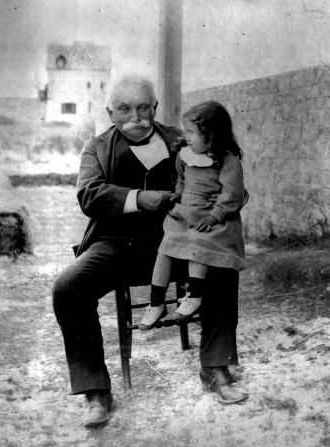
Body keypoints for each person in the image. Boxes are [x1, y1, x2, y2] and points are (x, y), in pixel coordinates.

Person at [52, 77, 248, 430]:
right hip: (116, 245)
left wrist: (215, 211)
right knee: (68, 288)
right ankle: (95, 390)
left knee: (220, 264)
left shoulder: (182, 138)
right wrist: (139, 199)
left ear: (155, 108)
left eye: (143, 107)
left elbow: (227, 175)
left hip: (179, 241)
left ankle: (216, 367)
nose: (135, 116)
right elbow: (89, 195)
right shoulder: (96, 148)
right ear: (110, 112)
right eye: (124, 109)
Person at [139, 101, 249, 337]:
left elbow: (233, 194)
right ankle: (156, 303)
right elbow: (181, 178)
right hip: (185, 214)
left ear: (211, 136)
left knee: (198, 244)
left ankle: (194, 296)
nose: (186, 136)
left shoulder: (228, 161)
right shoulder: (186, 155)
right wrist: (178, 194)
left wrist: (214, 216)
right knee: (165, 248)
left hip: (210, 217)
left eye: (192, 132)